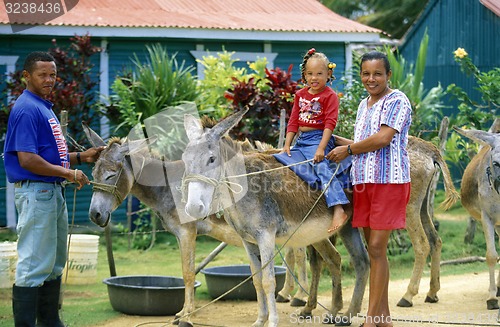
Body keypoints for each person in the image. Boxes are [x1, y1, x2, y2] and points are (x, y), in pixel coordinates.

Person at [4, 51, 104, 327]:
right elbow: (27, 159)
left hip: (51, 192)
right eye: (42, 75)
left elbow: (49, 155)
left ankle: (50, 321)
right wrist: (68, 173)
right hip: (37, 193)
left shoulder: (43, 107)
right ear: (26, 76)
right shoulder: (26, 109)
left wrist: (81, 158)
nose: (49, 80)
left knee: (54, 263)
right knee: (34, 264)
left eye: (53, 75)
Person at [327, 50, 412, 327]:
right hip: (363, 181)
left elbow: (384, 138)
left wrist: (348, 149)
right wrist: (327, 138)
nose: (371, 79)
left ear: (388, 75)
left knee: (376, 247)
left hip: (389, 181)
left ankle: (371, 320)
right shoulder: (364, 105)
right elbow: (365, 141)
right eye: (366, 73)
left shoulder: (397, 100)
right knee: (375, 251)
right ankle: (383, 319)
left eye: (377, 73)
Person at [274, 48, 349, 233]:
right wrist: (286, 145)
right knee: (281, 160)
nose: (314, 78)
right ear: (304, 75)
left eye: (319, 73)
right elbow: (293, 121)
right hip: (301, 140)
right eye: (309, 74)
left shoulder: (329, 96)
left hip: (319, 138)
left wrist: (321, 148)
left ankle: (338, 207)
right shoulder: (300, 95)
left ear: (328, 74)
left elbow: (329, 125)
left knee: (322, 167)